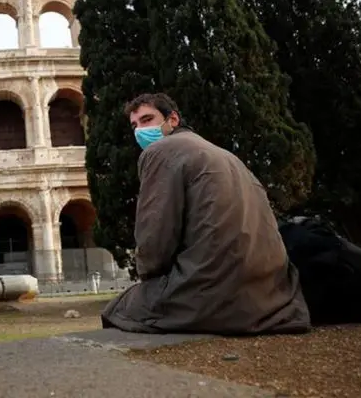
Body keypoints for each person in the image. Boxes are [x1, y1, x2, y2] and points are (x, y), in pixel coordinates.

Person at [100, 92, 311, 335]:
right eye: (135, 125)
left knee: (119, 308)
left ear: (173, 120)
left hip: (212, 295)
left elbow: (155, 236)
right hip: (272, 299)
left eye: (147, 120)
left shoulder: (160, 151)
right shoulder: (228, 157)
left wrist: (150, 274)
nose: (140, 131)